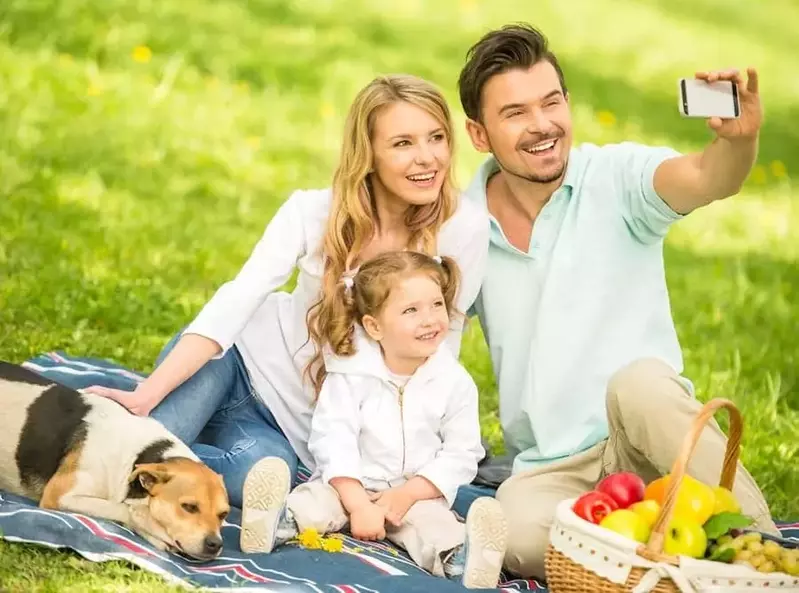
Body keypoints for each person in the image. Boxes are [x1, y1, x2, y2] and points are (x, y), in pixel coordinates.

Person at [454, 23, 780, 578]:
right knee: (511, 533)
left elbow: (706, 176)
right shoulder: (460, 228)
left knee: (639, 383)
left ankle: (762, 553)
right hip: (552, 466)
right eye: (515, 113)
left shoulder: (617, 178)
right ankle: (658, 552)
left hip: (646, 438)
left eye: (551, 102)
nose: (542, 125)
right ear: (479, 134)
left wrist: (738, 142)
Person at [86, 74, 489, 510]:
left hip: (288, 428)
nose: (427, 158)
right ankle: (111, 437)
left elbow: (437, 346)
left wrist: (409, 481)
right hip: (237, 362)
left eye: (436, 138)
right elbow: (239, 298)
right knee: (138, 448)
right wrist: (147, 394)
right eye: (403, 143)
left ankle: (166, 457)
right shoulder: (312, 212)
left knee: (260, 480)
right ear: (368, 152)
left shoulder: (461, 227)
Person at [237, 250, 508, 590]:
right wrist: (358, 503)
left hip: (416, 493)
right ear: (374, 326)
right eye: (411, 310)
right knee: (316, 503)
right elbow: (333, 438)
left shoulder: (454, 382)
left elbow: (463, 453)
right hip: (350, 485)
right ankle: (275, 521)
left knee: (435, 527)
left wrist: (408, 494)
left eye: (436, 304)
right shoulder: (350, 375)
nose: (430, 319)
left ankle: (461, 558)